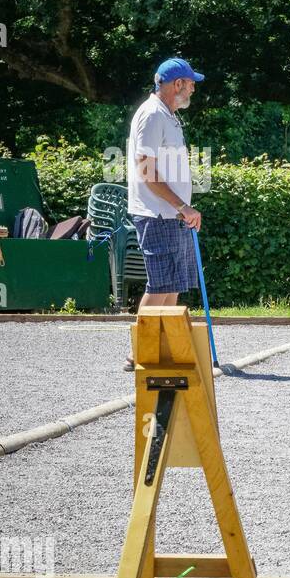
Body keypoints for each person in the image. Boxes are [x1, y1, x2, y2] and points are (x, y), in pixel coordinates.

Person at [124, 57, 205, 370]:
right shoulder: (153, 115)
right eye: (191, 83)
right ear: (178, 85)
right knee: (159, 287)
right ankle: (136, 353)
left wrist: (182, 210)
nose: (194, 89)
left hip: (171, 215)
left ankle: (162, 348)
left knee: (170, 285)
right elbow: (146, 169)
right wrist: (182, 206)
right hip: (157, 214)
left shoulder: (168, 115)